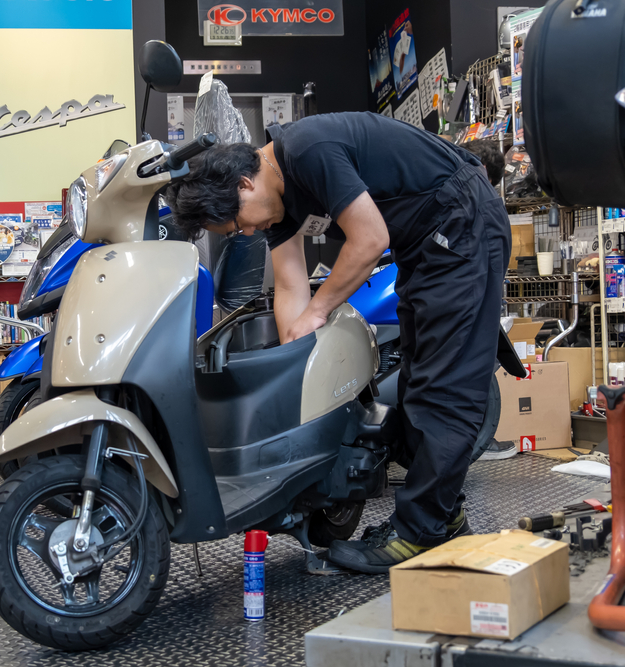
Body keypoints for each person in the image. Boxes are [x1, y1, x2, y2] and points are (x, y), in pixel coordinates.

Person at [165, 111, 511, 574]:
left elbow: (369, 240)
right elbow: (291, 287)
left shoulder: (308, 150)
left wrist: (317, 311)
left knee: (443, 389)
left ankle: (418, 533)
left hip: (463, 224)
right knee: (419, 380)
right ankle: (443, 518)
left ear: (245, 184)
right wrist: (292, 357)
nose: (245, 233)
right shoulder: (276, 203)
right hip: (427, 245)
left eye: (236, 224)